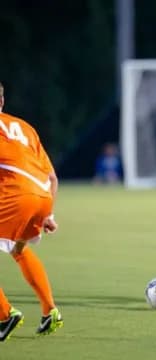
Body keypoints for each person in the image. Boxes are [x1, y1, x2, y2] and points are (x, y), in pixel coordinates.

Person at [0, 82, 63, 341]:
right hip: (43, 196)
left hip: (15, 195)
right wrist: (48, 214)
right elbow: (52, 177)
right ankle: (50, 311)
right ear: (2, 101)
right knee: (19, 249)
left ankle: (5, 315)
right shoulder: (24, 127)